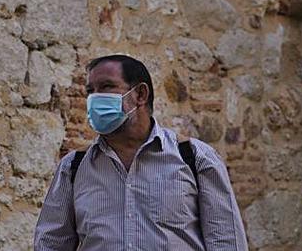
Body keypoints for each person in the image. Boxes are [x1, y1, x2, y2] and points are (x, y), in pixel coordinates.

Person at [34, 54, 248, 251]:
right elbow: (50, 244)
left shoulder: (195, 158)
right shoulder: (74, 167)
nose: (95, 99)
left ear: (140, 94)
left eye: (107, 87)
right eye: (90, 91)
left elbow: (227, 242)